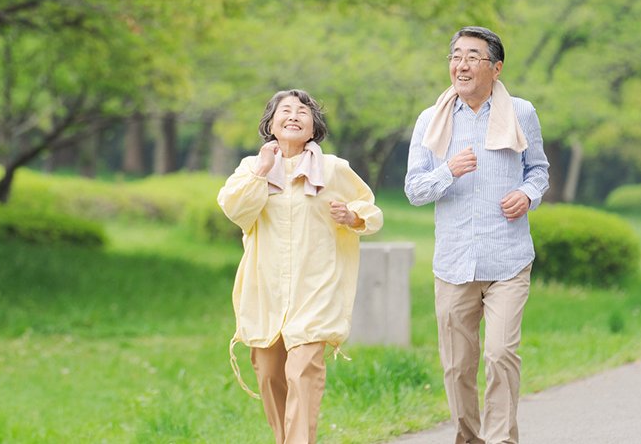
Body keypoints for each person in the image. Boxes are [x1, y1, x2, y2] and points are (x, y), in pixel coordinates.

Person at [404, 26, 549, 444]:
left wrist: (527, 194)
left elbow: (538, 170)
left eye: (472, 56)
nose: (461, 65)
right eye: (456, 56)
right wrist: (448, 171)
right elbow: (414, 190)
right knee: (457, 366)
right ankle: (469, 438)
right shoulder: (431, 120)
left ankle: (501, 439)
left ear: (496, 68)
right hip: (454, 262)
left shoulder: (521, 113)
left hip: (508, 258)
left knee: (500, 354)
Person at [219, 89, 383, 444]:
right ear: (271, 124)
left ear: (313, 128)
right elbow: (235, 209)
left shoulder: (334, 169)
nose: (294, 115)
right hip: (266, 290)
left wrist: (352, 216)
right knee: (269, 374)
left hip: (315, 289)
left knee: (303, 372)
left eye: (303, 112)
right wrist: (262, 171)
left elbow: (371, 210)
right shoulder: (251, 167)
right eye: (286, 110)